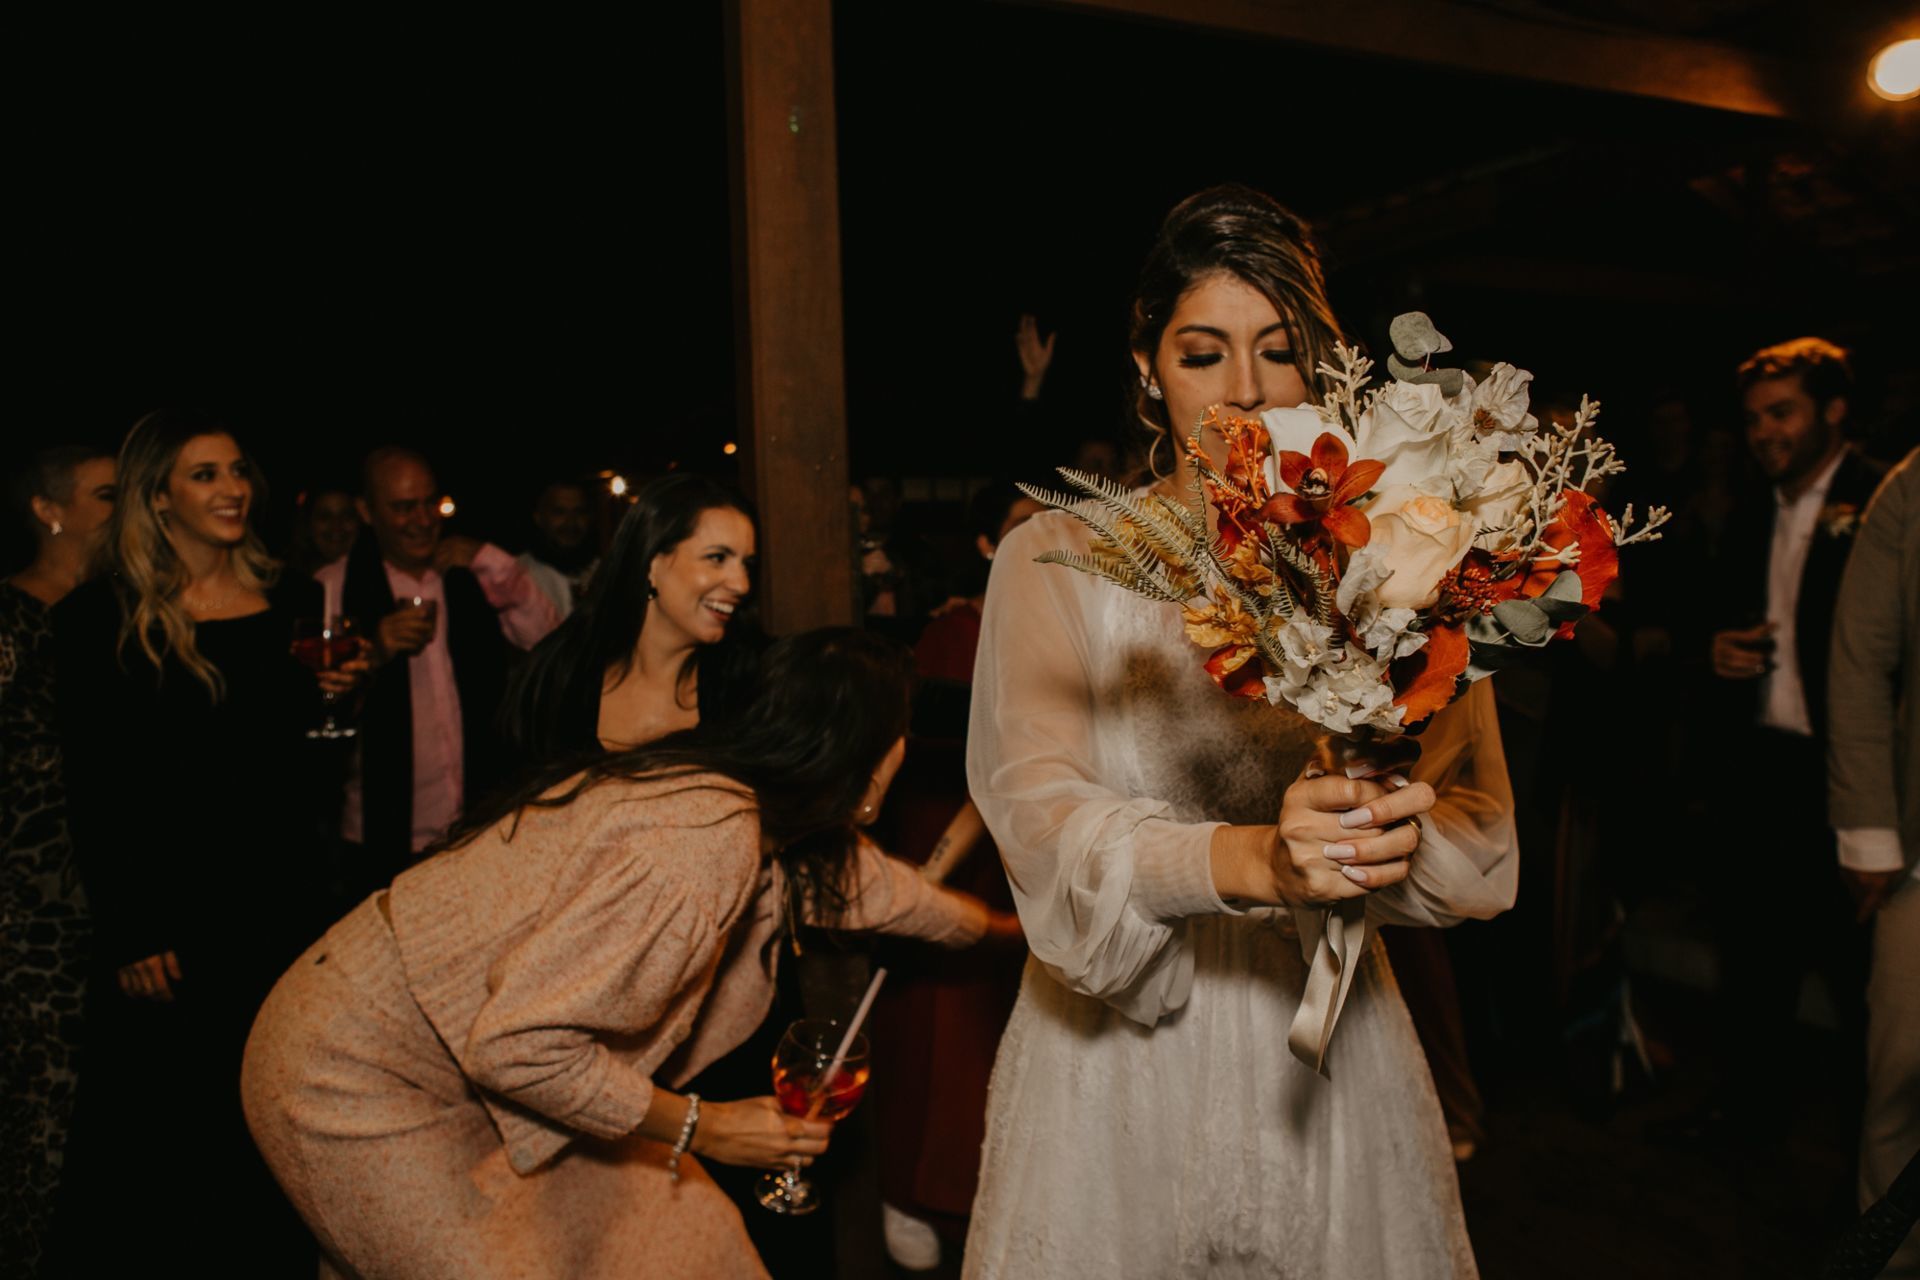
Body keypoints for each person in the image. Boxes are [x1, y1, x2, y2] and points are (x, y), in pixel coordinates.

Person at [961, 185, 1518, 1279]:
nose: (1248, 391)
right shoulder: (1054, 558)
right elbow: (1041, 818)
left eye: (1280, 350)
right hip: (1113, 1068)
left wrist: (1369, 833)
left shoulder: (1404, 559)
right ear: (1146, 368)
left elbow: (1480, 842)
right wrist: (1258, 856)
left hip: (1327, 1059)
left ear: (1326, 366)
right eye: (1203, 352)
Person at [241, 628, 996, 1279]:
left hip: (475, 1076)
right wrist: (710, 1128)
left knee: (693, 1238)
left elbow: (879, 892)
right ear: (872, 777)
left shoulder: (752, 807)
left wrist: (1016, 936)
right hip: (353, 1074)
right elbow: (521, 1048)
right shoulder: (700, 845)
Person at [52, 410, 359, 1272]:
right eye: (205, 475)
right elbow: (97, 786)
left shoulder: (295, 601)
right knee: (167, 1138)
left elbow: (307, 769)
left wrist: (342, 699)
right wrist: (132, 926)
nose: (233, 490)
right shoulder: (94, 620)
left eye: (237, 472)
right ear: (157, 498)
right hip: (171, 922)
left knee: (275, 1118)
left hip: (282, 902)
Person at [1702, 337, 1886, 1149]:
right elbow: (1712, 625)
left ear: (1834, 410)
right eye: (1752, 420)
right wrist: (1714, 652)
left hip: (1853, 776)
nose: (1765, 433)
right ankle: (1747, 1123)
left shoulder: (1884, 504)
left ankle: (1874, 1156)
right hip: (1764, 770)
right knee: (1753, 959)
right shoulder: (1749, 514)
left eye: (1783, 412)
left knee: (1867, 984)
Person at [872, 480, 1040, 1271]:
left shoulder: (1071, 626)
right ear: (985, 545)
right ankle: (912, 1191)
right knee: (944, 1019)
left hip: (1037, 851)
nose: (1043, 535)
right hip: (957, 841)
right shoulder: (957, 632)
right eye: (1020, 525)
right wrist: (937, 865)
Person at [316, 446, 560, 901]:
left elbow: (547, 641)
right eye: (403, 507)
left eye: (431, 503)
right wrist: (374, 651)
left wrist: (491, 559)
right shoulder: (333, 588)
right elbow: (312, 711)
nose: (423, 519)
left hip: (477, 823)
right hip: (380, 835)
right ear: (367, 511)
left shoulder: (470, 577)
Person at [1, 444, 113, 1274]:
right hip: (26, 917)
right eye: (107, 495)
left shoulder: (119, 617)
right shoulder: (11, 621)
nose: (124, 509)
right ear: (50, 510)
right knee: (35, 1117)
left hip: (107, 902)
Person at [1826, 446, 1920, 1278]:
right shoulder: (1912, 487)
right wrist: (1872, 835)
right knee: (1899, 1083)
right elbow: (1860, 658)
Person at [501, 472, 760, 768]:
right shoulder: (558, 680)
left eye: (747, 565)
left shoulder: (751, 685)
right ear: (651, 561)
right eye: (717, 558)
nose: (742, 585)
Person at [520, 477, 600, 620]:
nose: (571, 522)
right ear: (539, 517)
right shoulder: (518, 576)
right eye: (559, 512)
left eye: (579, 512)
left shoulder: (605, 574)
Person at [286, 484, 361, 580]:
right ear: (308, 523)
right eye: (325, 517)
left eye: (347, 516)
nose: (336, 526)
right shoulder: (287, 580)